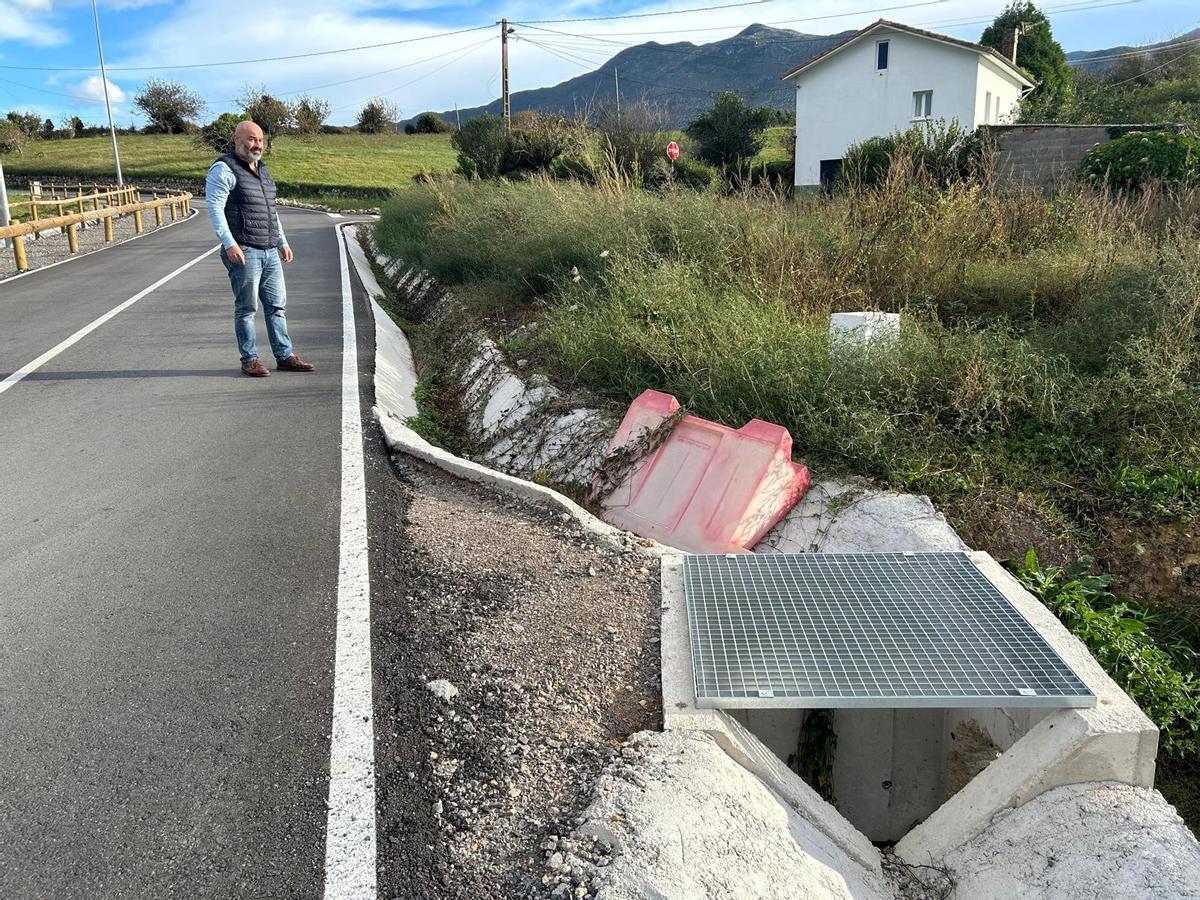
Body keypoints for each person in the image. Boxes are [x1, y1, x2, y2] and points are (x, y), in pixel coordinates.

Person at [206, 120, 314, 378]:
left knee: (277, 305)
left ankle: (285, 355)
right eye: (251, 139)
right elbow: (214, 207)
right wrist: (229, 243)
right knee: (247, 308)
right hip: (244, 249)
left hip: (268, 249)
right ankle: (249, 359)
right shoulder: (224, 169)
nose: (257, 145)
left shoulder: (263, 171)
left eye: (260, 140)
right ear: (237, 140)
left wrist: (282, 242)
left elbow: (270, 212)